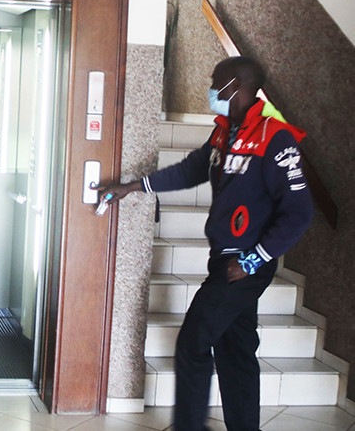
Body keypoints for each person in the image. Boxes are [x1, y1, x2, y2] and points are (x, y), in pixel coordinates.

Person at [98, 56, 313, 431]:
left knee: (193, 342)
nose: (211, 89)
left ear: (237, 86)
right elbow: (191, 169)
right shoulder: (223, 133)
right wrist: (132, 187)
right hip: (223, 260)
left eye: (217, 82)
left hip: (245, 266)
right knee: (236, 350)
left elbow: (299, 213)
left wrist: (252, 260)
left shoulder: (274, 138)